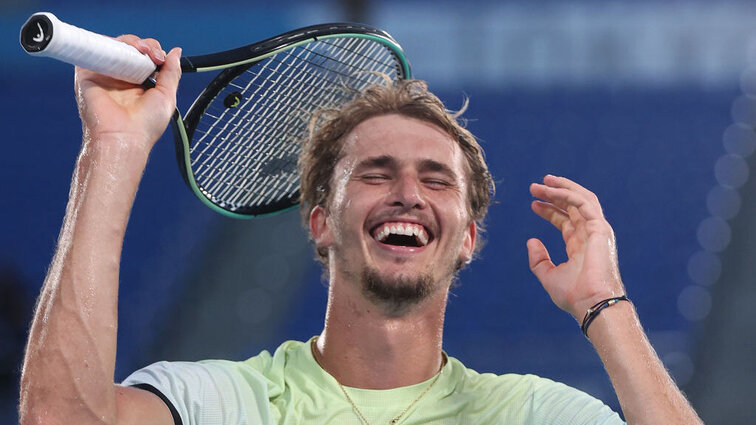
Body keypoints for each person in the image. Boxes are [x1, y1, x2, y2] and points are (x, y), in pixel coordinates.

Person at [18, 36, 703, 425]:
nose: (408, 192)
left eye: (437, 180)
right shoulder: (222, 401)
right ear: (321, 221)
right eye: (375, 173)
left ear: (467, 236)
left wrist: (604, 307)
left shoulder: (530, 412)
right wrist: (111, 148)